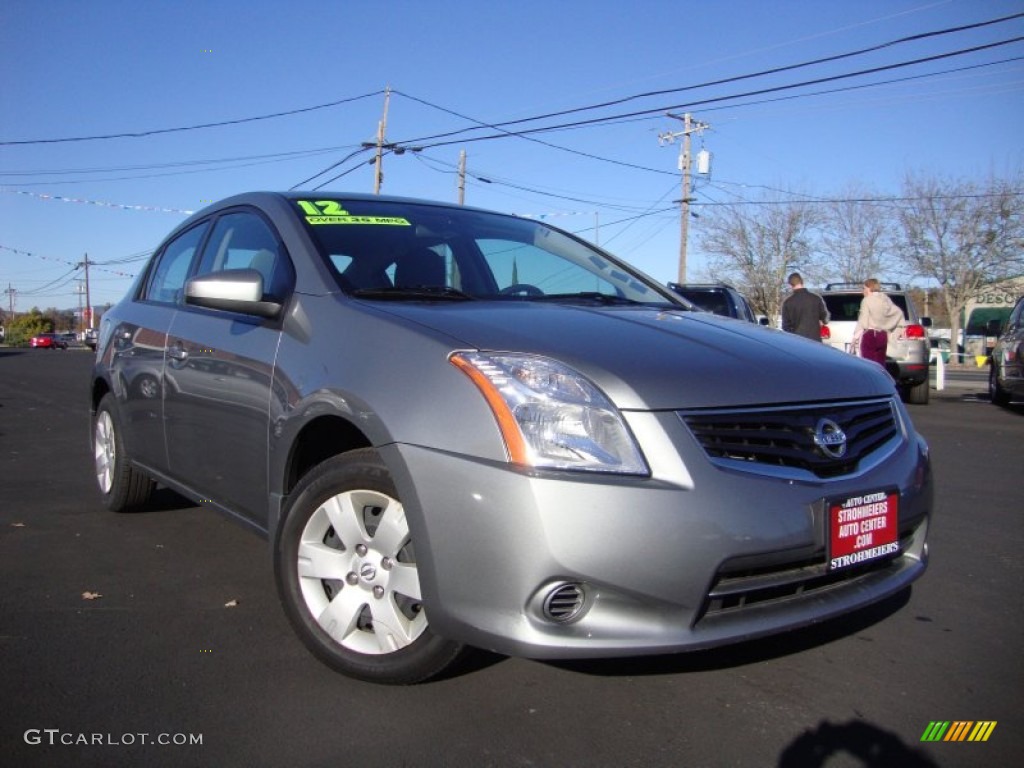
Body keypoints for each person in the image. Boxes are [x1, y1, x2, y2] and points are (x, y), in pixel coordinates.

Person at [853, 278, 905, 369]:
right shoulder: (885, 299)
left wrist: (856, 336)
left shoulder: (866, 300)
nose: (863, 291)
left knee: (867, 364)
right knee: (880, 364)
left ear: (869, 288)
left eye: (864, 288)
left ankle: (869, 383)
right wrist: (891, 327)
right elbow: (899, 313)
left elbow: (863, 322)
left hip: (869, 335)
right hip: (883, 335)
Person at [781, 272, 828, 341]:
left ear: (790, 285)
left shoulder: (788, 303)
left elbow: (785, 326)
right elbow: (825, 318)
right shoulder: (816, 299)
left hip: (798, 342)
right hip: (815, 341)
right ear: (802, 282)